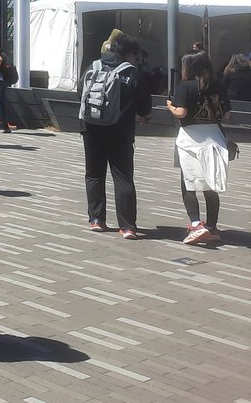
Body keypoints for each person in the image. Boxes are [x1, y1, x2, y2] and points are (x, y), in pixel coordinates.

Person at [80, 34, 152, 238]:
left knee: (94, 174)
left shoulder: (92, 67)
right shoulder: (131, 73)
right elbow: (144, 106)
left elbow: (81, 93)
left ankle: (96, 219)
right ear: (128, 53)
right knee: (122, 177)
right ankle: (127, 226)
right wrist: (144, 115)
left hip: (90, 128)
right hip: (120, 132)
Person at [167, 52, 232, 245]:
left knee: (189, 182)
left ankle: (196, 224)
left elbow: (182, 112)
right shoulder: (218, 85)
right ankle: (211, 227)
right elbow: (226, 115)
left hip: (190, 139)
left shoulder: (185, 86)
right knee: (210, 184)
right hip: (215, 138)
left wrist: (170, 106)